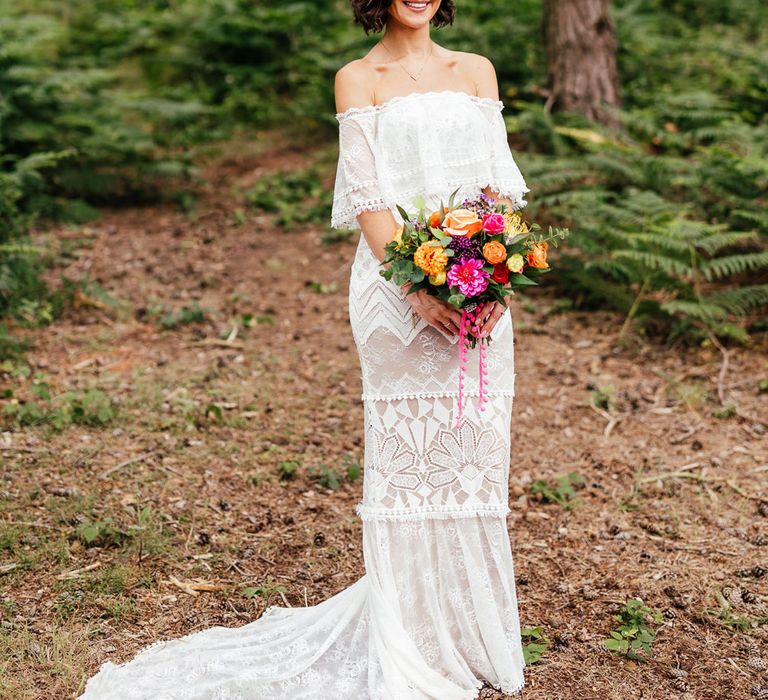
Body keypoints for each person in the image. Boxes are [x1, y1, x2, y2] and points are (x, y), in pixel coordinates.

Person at [78, 1, 529, 698]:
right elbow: (368, 193)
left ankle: (470, 634)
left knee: (474, 460)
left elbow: (499, 186)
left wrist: (497, 281)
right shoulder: (359, 76)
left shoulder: (477, 71)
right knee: (408, 470)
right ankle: (409, 639)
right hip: (398, 291)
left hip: (481, 288)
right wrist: (416, 290)